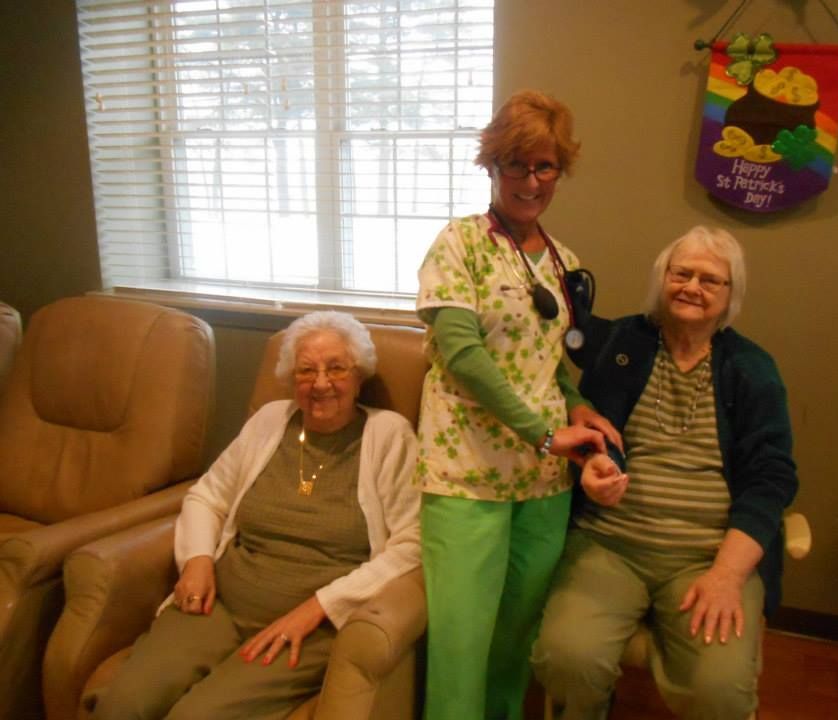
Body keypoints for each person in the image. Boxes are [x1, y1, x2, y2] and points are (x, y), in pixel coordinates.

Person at [89, 311, 420, 720]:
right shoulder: (269, 421)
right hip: (220, 604)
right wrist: (196, 561)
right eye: (306, 370)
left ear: (359, 376)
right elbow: (206, 496)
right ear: (290, 377)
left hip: (309, 627)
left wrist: (317, 607)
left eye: (336, 368)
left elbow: (412, 544)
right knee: (123, 705)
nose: (320, 383)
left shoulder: (389, 435)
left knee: (197, 716)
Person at [531, 226, 798, 720]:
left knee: (720, 691)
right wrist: (592, 468)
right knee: (567, 659)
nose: (692, 287)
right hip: (608, 545)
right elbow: (590, 426)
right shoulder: (622, 345)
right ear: (663, 279)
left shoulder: (752, 369)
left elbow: (772, 478)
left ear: (730, 294)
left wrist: (726, 574)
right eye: (682, 273)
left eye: (710, 280)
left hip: (707, 556)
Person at [414, 89, 621, 720]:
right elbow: (465, 356)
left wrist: (578, 406)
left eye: (545, 166)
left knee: (515, 637)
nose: (531, 181)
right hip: (467, 478)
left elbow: (550, 362)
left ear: (561, 170)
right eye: (516, 165)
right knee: (461, 642)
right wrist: (543, 432)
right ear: (491, 167)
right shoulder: (460, 245)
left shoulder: (566, 263)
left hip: (541, 486)